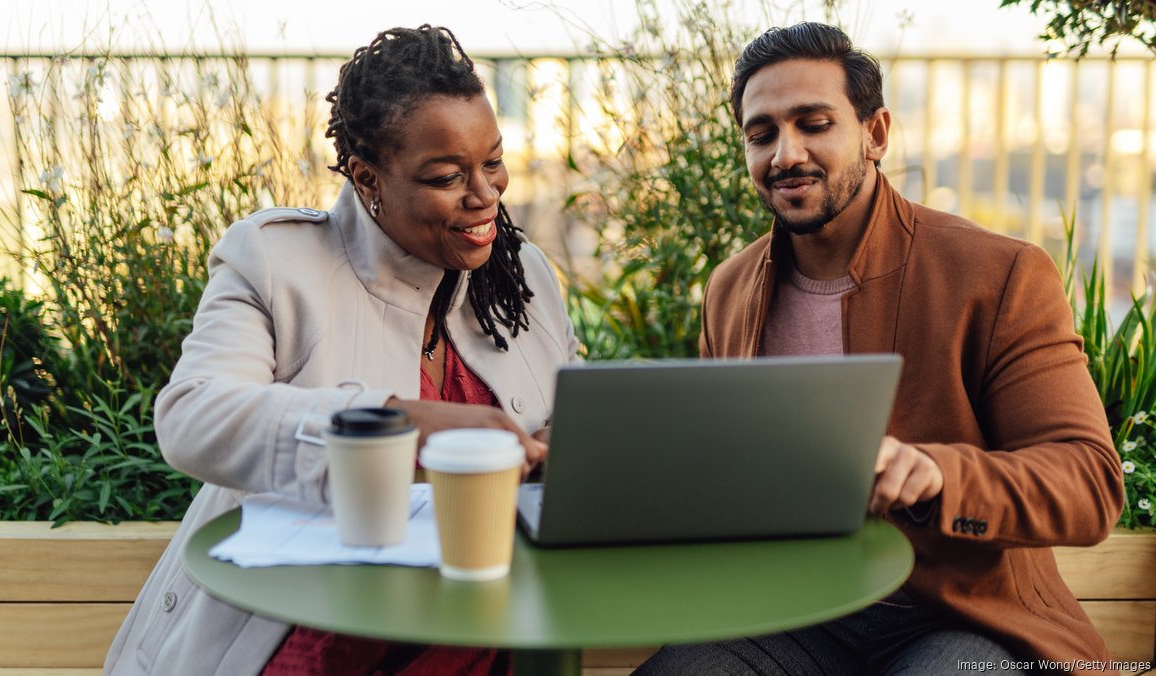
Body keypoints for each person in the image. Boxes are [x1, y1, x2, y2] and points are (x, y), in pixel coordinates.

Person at [637, 22, 1124, 676]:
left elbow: (1089, 483)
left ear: (875, 135)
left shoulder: (998, 273)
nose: (785, 154)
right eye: (762, 134)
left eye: (814, 123)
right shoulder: (729, 290)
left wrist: (936, 473)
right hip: (792, 614)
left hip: (963, 614)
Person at [104, 25, 579, 675]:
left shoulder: (521, 274)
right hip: (301, 639)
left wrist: (563, 445)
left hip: (481, 635)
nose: (486, 194)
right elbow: (191, 418)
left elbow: (566, 414)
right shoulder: (276, 261)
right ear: (367, 177)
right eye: (447, 175)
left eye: (493, 161)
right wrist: (394, 424)